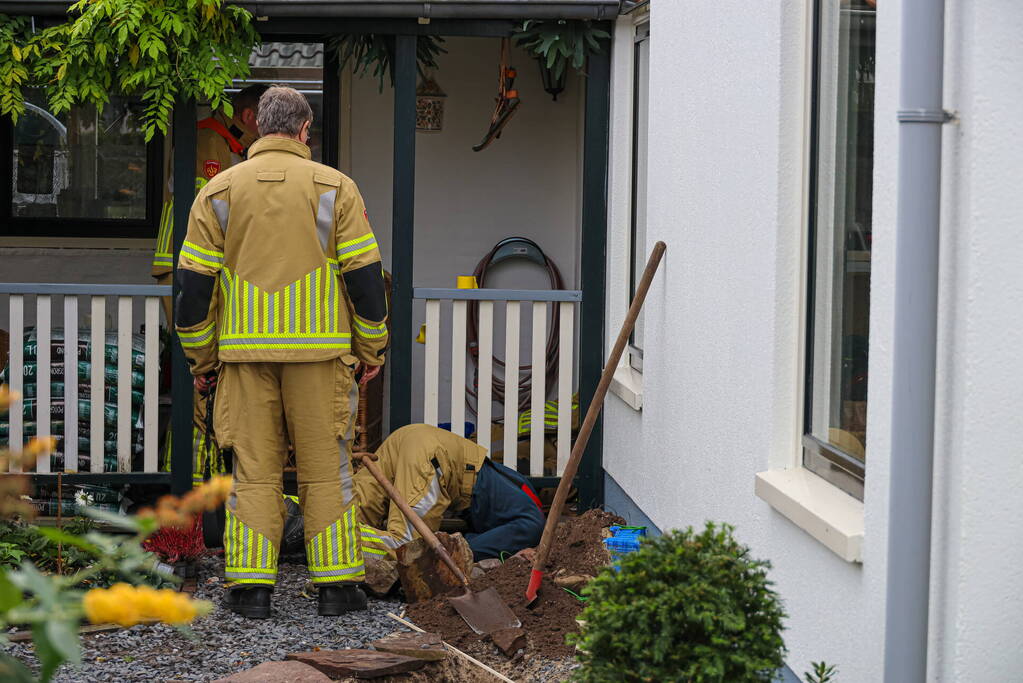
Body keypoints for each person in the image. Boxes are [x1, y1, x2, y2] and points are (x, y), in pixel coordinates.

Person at [175, 86, 389, 619]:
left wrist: (202, 362)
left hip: (244, 360)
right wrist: (371, 350)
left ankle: (251, 592)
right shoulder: (336, 188)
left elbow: (192, 293)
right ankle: (338, 588)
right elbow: (365, 283)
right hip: (321, 359)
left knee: (252, 473)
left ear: (256, 128)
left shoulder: (217, 193)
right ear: (303, 131)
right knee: (327, 472)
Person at [152, 84, 269, 487]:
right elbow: (216, 219)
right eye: (267, 126)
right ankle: (186, 486)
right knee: (201, 378)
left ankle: (206, 481)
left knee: (211, 379)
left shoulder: (230, 146)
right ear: (250, 117)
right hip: (188, 272)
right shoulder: (207, 142)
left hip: (206, 274)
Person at [355, 424, 545, 563]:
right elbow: (462, 550)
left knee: (353, 512)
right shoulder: (531, 524)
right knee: (406, 547)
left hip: (410, 436)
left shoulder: (515, 490)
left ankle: (331, 536)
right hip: (433, 455)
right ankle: (340, 542)